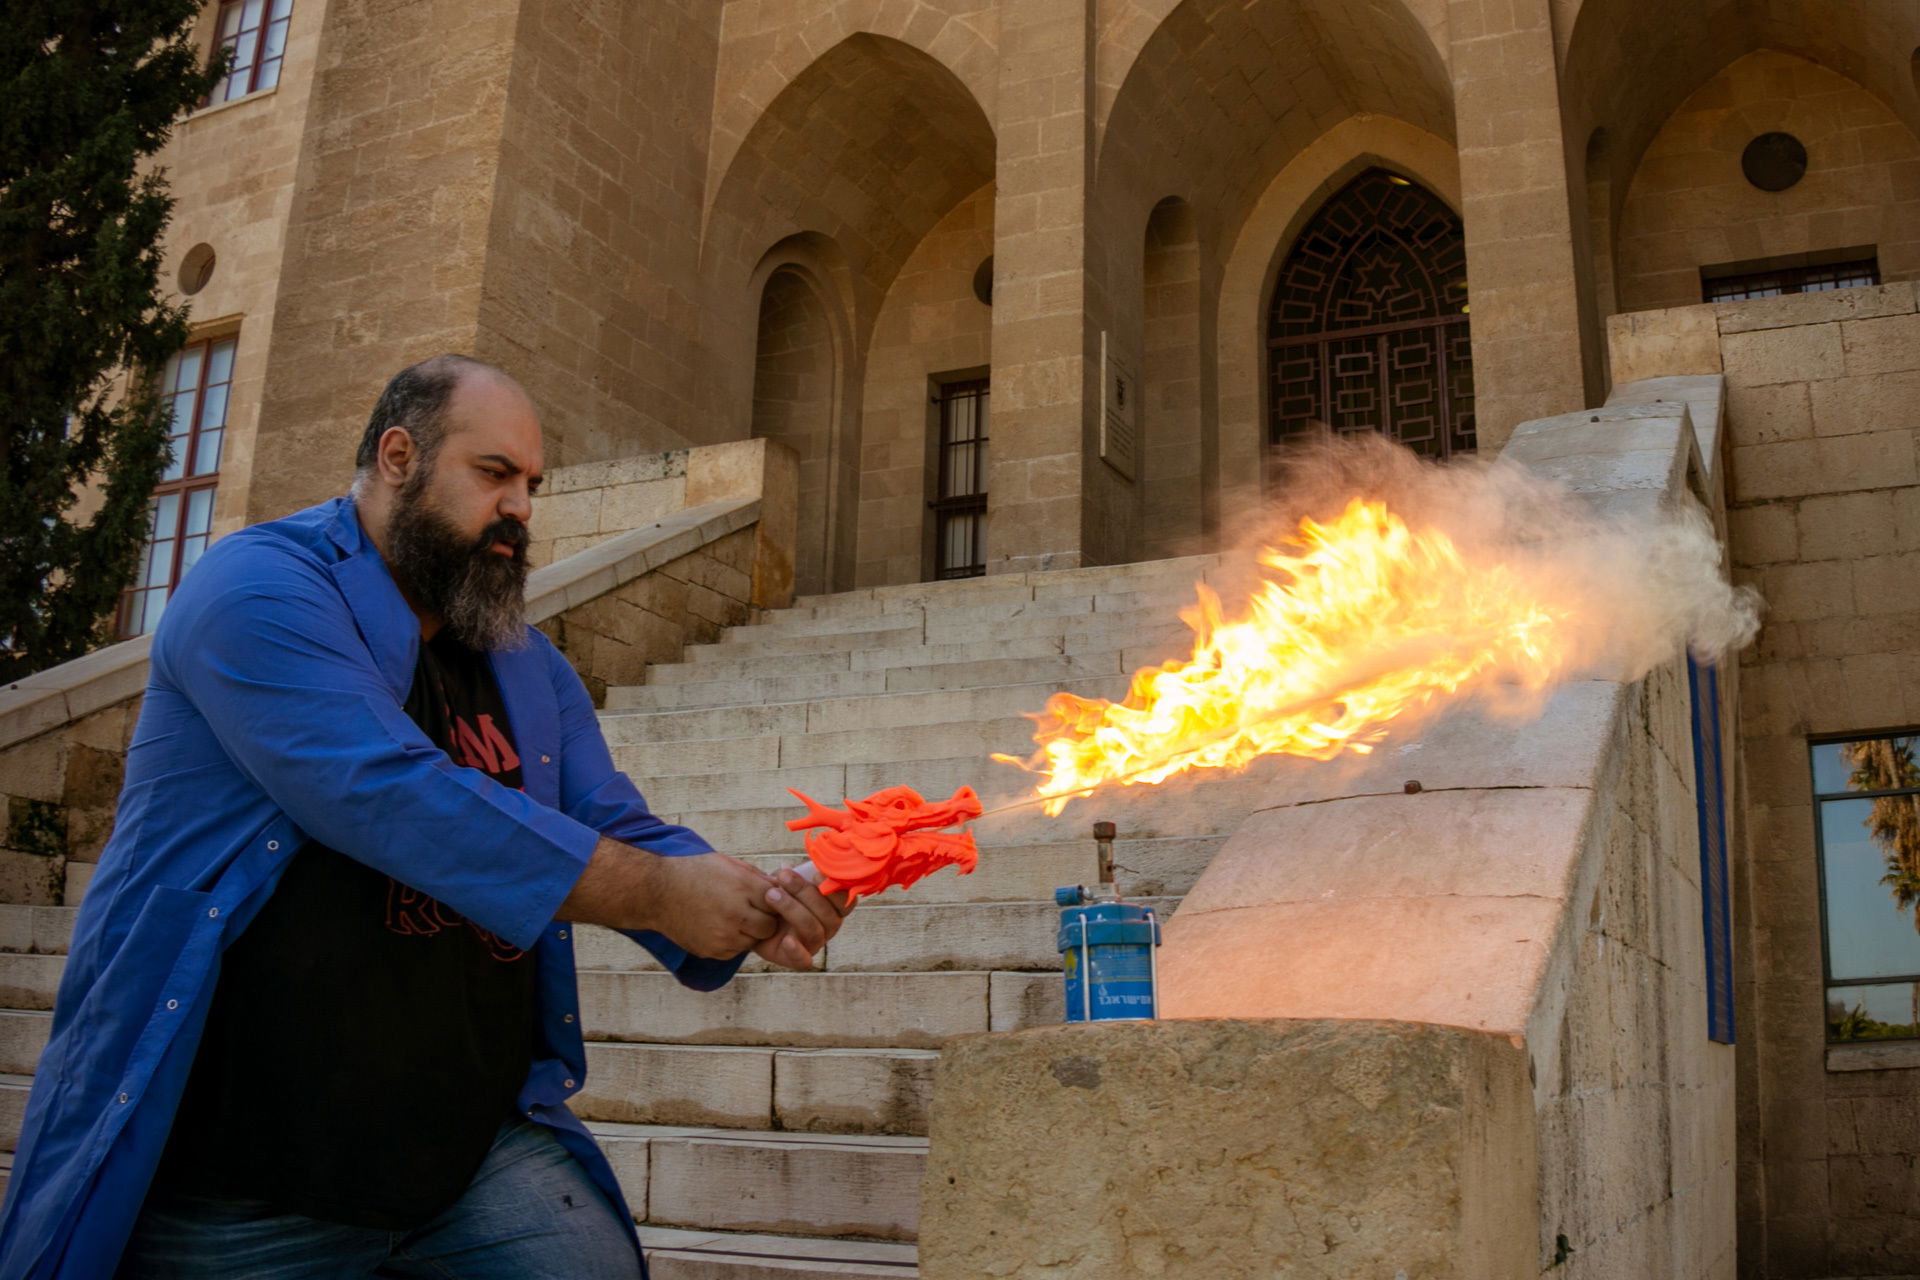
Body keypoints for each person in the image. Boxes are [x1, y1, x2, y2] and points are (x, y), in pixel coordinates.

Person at [0, 355, 848, 1279]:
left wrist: (760, 897)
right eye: (494, 475)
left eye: (532, 484)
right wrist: (655, 892)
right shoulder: (252, 590)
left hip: (470, 1157)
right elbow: (384, 791)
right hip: (242, 1182)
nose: (521, 506)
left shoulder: (526, 660)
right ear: (399, 456)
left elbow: (615, 819)